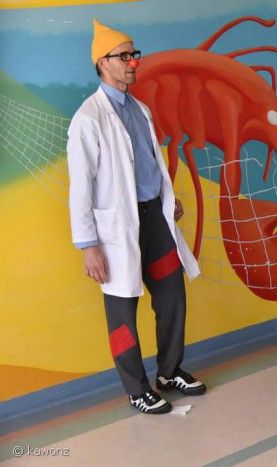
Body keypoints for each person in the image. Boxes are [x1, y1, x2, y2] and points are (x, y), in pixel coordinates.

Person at [67, 19, 206, 414]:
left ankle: (169, 371)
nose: (133, 62)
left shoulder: (141, 110)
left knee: (172, 295)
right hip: (115, 231)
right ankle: (136, 388)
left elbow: (149, 165)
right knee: (122, 313)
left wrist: (166, 199)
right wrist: (88, 245)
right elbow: (80, 188)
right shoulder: (88, 118)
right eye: (124, 56)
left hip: (154, 221)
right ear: (102, 63)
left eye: (134, 54)